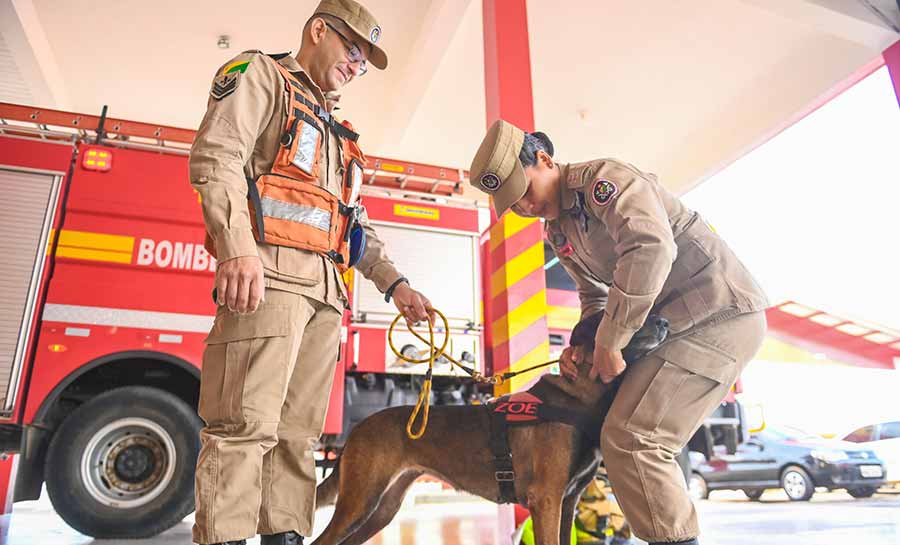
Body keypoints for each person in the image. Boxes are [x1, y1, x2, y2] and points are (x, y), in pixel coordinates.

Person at [189, 1, 434, 544]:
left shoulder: (340, 133)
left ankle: (285, 536)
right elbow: (218, 157)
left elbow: (354, 223)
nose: (356, 66)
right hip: (268, 283)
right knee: (243, 428)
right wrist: (236, 248)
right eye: (352, 49)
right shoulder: (260, 75)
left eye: (364, 62)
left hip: (326, 298)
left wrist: (395, 284)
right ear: (319, 29)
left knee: (297, 438)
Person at [468, 120, 768, 545]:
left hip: (718, 314)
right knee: (622, 434)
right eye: (512, 203)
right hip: (672, 330)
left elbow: (651, 247)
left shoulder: (604, 182)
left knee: (633, 437)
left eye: (524, 191)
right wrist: (581, 344)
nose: (523, 207)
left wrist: (610, 341)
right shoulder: (558, 231)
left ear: (544, 159)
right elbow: (594, 299)